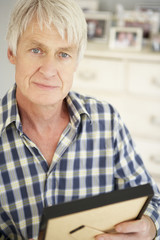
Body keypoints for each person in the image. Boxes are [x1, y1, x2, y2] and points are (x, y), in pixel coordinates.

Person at [0, 0, 160, 239]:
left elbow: (153, 201)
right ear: (12, 52)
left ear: (76, 62)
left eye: (63, 54)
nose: (49, 69)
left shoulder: (107, 121)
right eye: (36, 50)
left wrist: (149, 227)